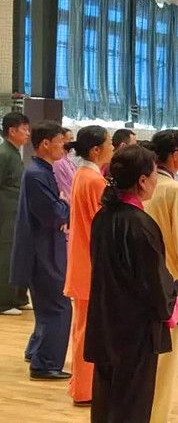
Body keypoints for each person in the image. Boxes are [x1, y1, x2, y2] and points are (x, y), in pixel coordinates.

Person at [84, 145, 178, 423]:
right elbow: (155, 283)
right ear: (142, 180)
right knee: (132, 406)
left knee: (105, 402)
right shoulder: (140, 224)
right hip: (134, 332)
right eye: (154, 174)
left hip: (105, 322)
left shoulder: (103, 217)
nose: (156, 180)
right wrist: (171, 299)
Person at [143, 129, 178, 423]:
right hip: (170, 282)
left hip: (144, 278)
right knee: (167, 356)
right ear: (175, 155)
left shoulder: (146, 186)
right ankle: (157, 415)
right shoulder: (173, 190)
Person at [9, 121, 71, 379]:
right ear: (45, 143)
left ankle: (37, 352)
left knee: (48, 307)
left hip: (45, 247)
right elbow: (54, 213)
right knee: (58, 307)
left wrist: (62, 204)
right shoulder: (37, 174)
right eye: (60, 142)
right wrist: (65, 204)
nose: (64, 147)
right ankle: (45, 364)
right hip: (43, 251)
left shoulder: (41, 171)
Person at [64, 125, 114, 405]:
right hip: (90, 265)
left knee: (82, 328)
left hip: (83, 262)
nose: (112, 148)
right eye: (109, 143)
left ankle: (81, 385)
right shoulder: (94, 180)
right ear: (96, 150)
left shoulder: (83, 175)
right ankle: (85, 389)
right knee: (87, 332)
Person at [0, 112, 31, 316]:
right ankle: (3, 302)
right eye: (24, 129)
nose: (28, 133)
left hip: (18, 212)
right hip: (6, 214)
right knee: (6, 256)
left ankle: (19, 297)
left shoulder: (14, 153)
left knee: (20, 254)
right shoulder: (3, 154)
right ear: (12, 131)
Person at [53, 128, 80, 204]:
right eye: (69, 139)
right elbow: (64, 189)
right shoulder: (58, 163)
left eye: (72, 138)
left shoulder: (69, 161)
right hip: (68, 204)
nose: (72, 142)